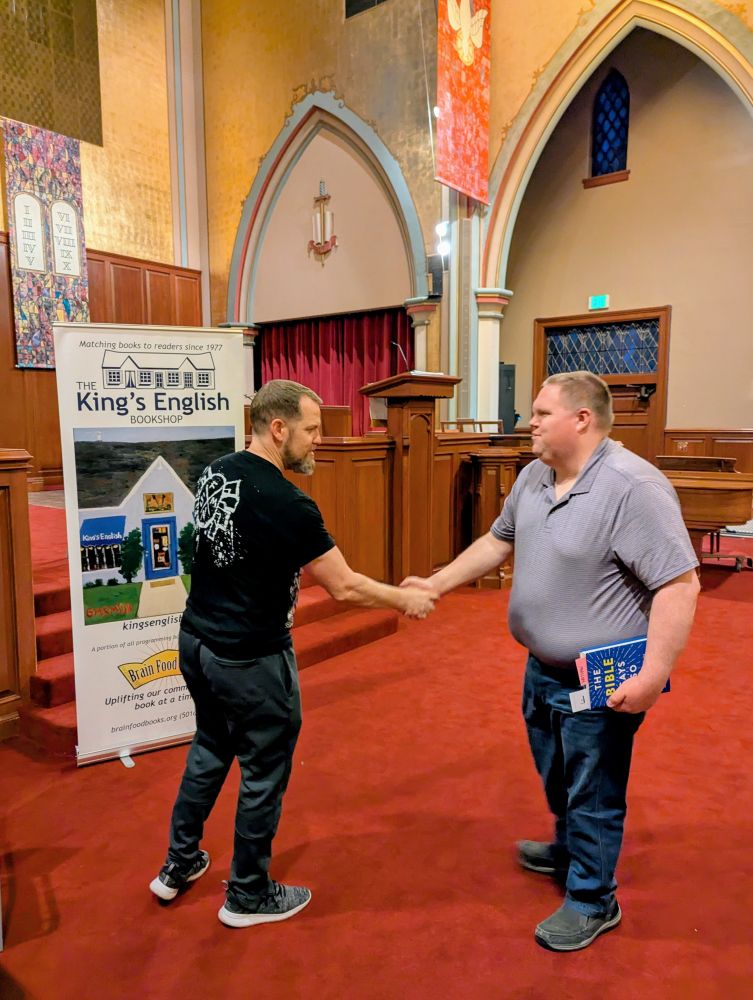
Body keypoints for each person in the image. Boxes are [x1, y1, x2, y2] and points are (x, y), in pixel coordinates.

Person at [402, 371, 699, 951]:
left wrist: (654, 673)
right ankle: (568, 848)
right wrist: (437, 583)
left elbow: (679, 586)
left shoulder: (633, 487)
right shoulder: (536, 475)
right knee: (558, 775)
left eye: (541, 413)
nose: (529, 422)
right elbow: (497, 540)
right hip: (541, 668)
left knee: (593, 789)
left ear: (582, 419)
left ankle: (593, 898)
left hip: (602, 676)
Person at [150, 379, 436, 928]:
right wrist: (405, 599)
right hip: (248, 657)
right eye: (311, 430)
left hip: (198, 642)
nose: (318, 442)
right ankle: (248, 894)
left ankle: (178, 864)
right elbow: (345, 586)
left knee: (210, 748)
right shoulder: (288, 502)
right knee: (264, 768)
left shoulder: (215, 470)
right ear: (278, 429)